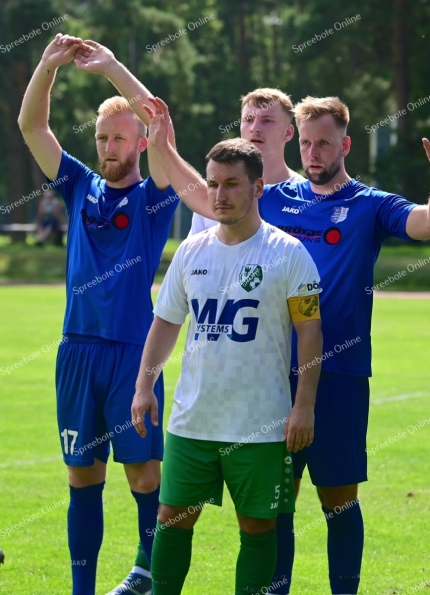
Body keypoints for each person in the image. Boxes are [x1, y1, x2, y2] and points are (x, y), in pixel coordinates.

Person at [143, 94, 430, 595]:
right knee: (275, 506)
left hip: (339, 375)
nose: (313, 153)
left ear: (345, 145)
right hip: (270, 376)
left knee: (338, 500)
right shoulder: (270, 197)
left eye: (325, 144)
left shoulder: (369, 205)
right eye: (308, 143)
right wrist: (162, 147)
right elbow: (206, 192)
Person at [17, 34, 212, 595]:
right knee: (82, 476)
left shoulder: (155, 196)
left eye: (119, 137)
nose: (108, 146)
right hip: (76, 350)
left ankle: (148, 573)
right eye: (102, 137)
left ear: (137, 142)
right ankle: (83, 588)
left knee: (144, 475)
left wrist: (112, 69)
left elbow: (161, 124)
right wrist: (48, 65)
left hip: (132, 352)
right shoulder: (79, 185)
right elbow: (34, 127)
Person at [131, 137, 323, 595]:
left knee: (257, 528)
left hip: (259, 425)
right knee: (171, 521)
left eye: (232, 184)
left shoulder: (289, 253)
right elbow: (164, 325)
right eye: (214, 184)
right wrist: (143, 387)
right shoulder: (191, 252)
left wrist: (304, 406)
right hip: (192, 421)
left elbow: (311, 333)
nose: (220, 194)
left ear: (258, 188)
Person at [189, 88, 304, 236]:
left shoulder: (304, 196)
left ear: (288, 132)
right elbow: (193, 255)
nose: (255, 128)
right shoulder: (217, 194)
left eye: (267, 121)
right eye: (248, 120)